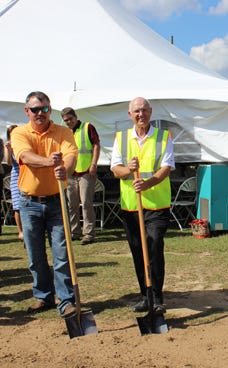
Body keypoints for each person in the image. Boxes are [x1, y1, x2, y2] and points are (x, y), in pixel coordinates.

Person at [11, 91, 77, 317]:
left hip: (57, 201)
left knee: (61, 253)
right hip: (29, 203)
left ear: (51, 109)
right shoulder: (19, 133)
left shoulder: (63, 131)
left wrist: (64, 169)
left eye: (45, 109)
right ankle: (43, 295)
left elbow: (71, 156)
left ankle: (66, 300)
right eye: (36, 109)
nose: (41, 113)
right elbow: (26, 157)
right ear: (27, 111)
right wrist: (50, 162)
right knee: (35, 255)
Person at [110, 97, 174, 313]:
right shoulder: (121, 138)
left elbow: (166, 168)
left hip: (157, 205)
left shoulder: (164, 137)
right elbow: (115, 169)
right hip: (131, 207)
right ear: (130, 115)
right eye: (137, 111)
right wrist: (129, 170)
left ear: (151, 112)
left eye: (145, 110)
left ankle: (157, 298)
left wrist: (147, 184)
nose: (141, 115)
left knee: (154, 245)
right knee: (138, 250)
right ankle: (145, 295)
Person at [61, 107, 101, 245]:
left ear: (75, 116)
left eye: (70, 119)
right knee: (71, 204)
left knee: (86, 203)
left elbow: (96, 145)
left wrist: (94, 164)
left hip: (86, 171)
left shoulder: (87, 127)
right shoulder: (65, 132)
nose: (68, 122)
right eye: (65, 120)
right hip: (70, 173)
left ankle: (89, 234)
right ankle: (74, 232)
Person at [4, 125, 23, 241]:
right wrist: (9, 150)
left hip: (27, 174)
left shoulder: (23, 143)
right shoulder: (8, 145)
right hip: (16, 175)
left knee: (28, 203)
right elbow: (9, 162)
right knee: (17, 205)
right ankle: (20, 231)